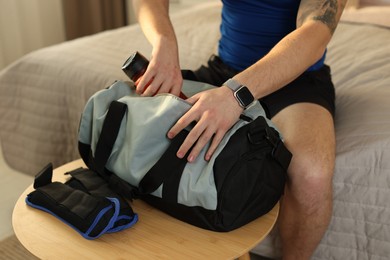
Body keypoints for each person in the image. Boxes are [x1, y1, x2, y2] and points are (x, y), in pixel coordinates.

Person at [133, 0, 346, 259]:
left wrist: (235, 95)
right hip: (226, 72)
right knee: (143, 130)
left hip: (297, 79)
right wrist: (163, 41)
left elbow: (315, 34)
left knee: (312, 175)